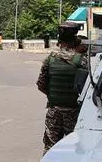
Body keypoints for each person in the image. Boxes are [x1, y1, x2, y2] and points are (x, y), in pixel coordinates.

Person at [36, 22, 90, 153]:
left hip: (54, 112)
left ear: (59, 41)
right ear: (75, 40)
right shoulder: (82, 61)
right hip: (74, 113)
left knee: (50, 148)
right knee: (74, 149)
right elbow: (87, 87)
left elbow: (41, 84)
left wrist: (54, 96)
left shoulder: (50, 59)